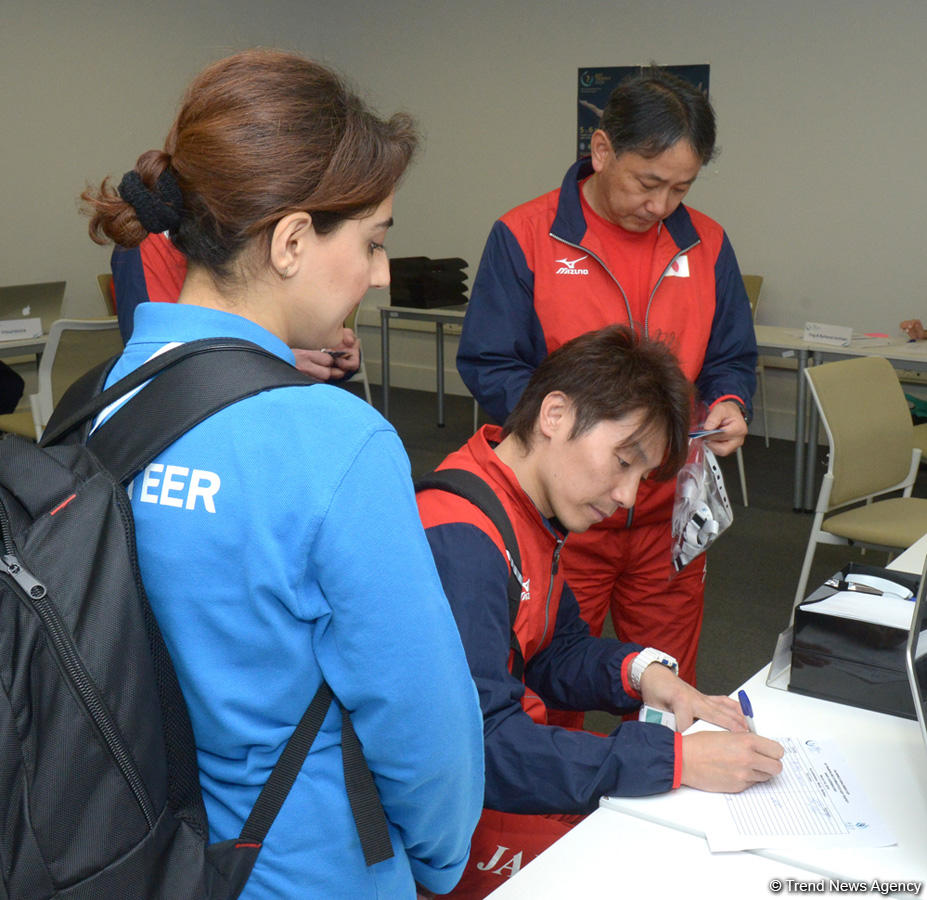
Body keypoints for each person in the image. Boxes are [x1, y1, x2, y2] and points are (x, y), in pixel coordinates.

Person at [81, 49, 483, 899]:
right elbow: (423, 723)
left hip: (122, 851)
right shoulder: (335, 442)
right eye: (373, 241)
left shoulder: (93, 405)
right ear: (293, 240)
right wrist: (441, 861)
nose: (379, 274)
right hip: (301, 869)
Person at [418, 326, 783, 898]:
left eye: (643, 477)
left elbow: (551, 649)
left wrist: (644, 675)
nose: (628, 497)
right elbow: (481, 748)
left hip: (482, 784)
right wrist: (674, 760)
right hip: (447, 822)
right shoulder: (463, 538)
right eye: (623, 461)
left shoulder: (524, 506)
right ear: (555, 414)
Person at [457, 67, 757, 697]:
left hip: (668, 517)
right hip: (566, 517)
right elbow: (489, 363)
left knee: (669, 688)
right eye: (648, 183)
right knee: (546, 685)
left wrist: (731, 399)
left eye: (681, 188)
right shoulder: (527, 236)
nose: (661, 206)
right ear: (600, 151)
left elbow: (732, 354)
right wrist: (578, 435)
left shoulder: (706, 244)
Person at [110, 232, 363, 383]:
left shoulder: (265, 234)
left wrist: (331, 355)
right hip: (197, 412)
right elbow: (156, 364)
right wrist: (271, 359)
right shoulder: (147, 244)